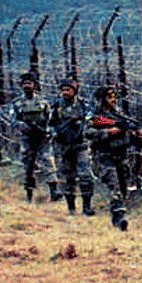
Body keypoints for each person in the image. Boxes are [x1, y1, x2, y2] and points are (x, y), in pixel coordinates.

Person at [85, 86, 142, 230]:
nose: (113, 100)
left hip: (121, 156)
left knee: (123, 189)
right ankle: (120, 220)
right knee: (114, 188)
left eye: (114, 97)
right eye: (109, 97)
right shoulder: (94, 116)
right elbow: (88, 133)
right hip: (104, 157)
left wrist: (138, 136)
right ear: (101, 99)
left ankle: (117, 217)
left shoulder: (120, 116)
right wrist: (108, 132)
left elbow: (130, 132)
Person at [8, 71, 60, 203]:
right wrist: (21, 125)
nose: (27, 86)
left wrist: (49, 131)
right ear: (21, 86)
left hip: (42, 137)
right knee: (28, 165)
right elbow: (12, 119)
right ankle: (29, 194)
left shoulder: (43, 102)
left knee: (48, 162)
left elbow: (51, 119)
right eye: (24, 83)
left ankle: (54, 192)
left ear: (34, 85)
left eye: (29, 83)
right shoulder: (17, 103)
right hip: (27, 138)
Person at [49, 78, 95, 216]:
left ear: (74, 91)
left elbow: (91, 119)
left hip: (81, 145)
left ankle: (87, 207)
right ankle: (71, 208)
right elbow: (50, 124)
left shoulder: (83, 106)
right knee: (68, 177)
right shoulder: (57, 106)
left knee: (85, 175)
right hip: (64, 145)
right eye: (62, 90)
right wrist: (55, 133)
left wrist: (82, 124)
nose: (65, 92)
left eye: (68, 89)